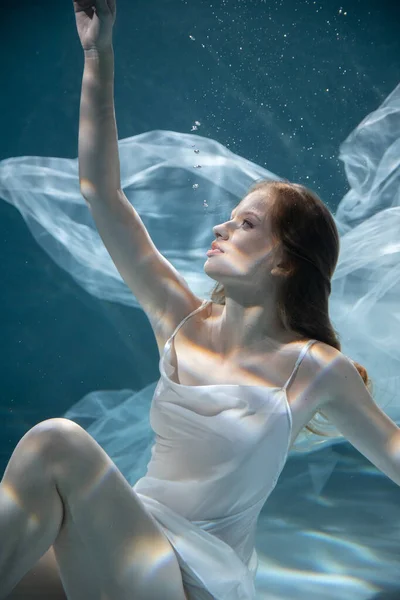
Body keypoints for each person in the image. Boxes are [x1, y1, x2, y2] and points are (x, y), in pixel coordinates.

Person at [1, 1, 399, 599]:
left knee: (56, 441)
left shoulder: (315, 368)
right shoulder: (180, 321)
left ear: (285, 260)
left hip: (194, 578)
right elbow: (101, 192)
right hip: (131, 546)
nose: (221, 229)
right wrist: (97, 53)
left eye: (246, 225)